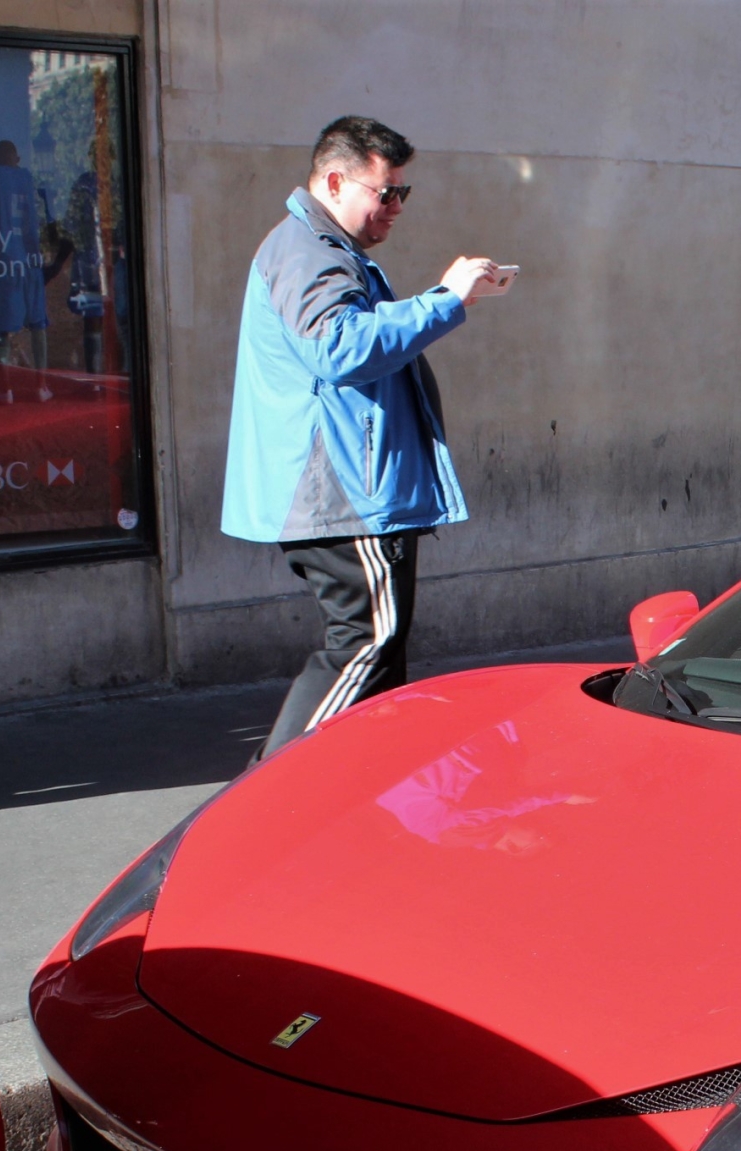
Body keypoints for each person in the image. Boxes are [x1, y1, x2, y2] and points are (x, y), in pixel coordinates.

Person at [221, 114, 506, 758]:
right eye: (387, 193)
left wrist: (442, 298)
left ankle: (351, 794)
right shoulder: (305, 252)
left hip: (353, 489)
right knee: (367, 643)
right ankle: (272, 795)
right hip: (343, 495)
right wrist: (447, 300)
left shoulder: (326, 252)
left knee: (379, 656)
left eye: (404, 192)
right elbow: (340, 348)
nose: (397, 207)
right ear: (333, 181)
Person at [0, 140, 51, 394]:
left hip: (5, 258)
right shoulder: (28, 178)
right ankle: (41, 385)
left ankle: (5, 389)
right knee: (38, 323)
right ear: (14, 157)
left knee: (2, 327)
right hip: (31, 259)